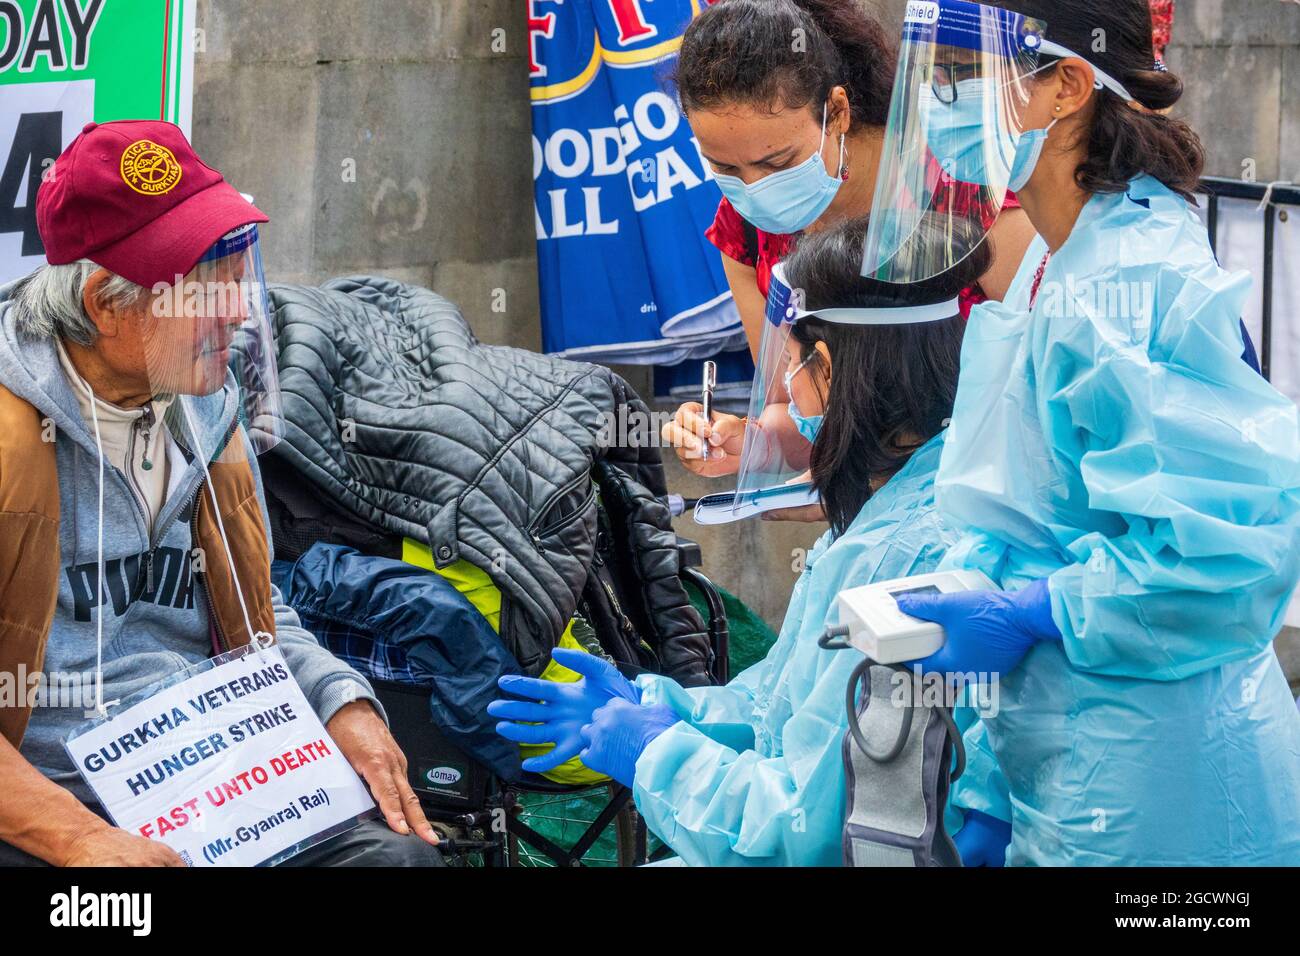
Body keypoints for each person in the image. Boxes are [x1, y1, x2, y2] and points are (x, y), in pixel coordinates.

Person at [868, 0, 1300, 865]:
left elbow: (1229, 555)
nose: (939, 104)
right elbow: (1037, 517)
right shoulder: (1055, 262)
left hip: (1166, 788)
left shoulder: (1129, 278)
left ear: (1066, 85)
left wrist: (1034, 609)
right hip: (1076, 762)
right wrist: (989, 792)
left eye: (960, 75)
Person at [0, 120, 442, 867]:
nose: (239, 313)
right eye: (207, 291)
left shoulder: (203, 404)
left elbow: (259, 605)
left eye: (239, 278)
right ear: (108, 305)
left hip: (216, 781)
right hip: (50, 803)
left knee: (400, 862)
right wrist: (82, 839)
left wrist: (343, 699)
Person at [490, 215, 993, 865]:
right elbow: (783, 710)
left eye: (790, 366)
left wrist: (655, 752)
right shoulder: (899, 512)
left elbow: (802, 829)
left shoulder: (900, 562)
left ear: (832, 369)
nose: (784, 389)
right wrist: (661, 707)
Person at [660, 0, 1037, 505]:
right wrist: (748, 442)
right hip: (871, 526)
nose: (754, 189)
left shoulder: (962, 188)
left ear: (836, 111)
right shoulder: (746, 230)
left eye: (777, 162)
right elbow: (801, 410)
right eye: (724, 168)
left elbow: (1047, 393)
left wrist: (896, 487)